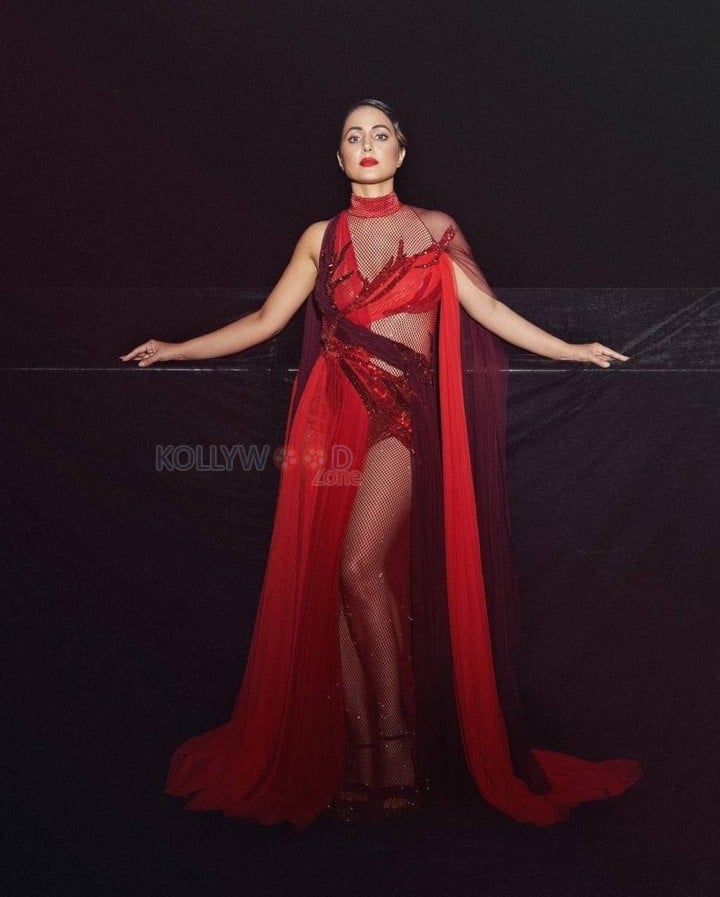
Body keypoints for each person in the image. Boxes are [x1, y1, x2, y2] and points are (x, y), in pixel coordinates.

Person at [120, 99, 641, 829]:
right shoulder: (320, 237)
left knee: (358, 564)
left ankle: (397, 754)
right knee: (338, 582)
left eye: (380, 134)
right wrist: (177, 348)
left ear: (401, 151)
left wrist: (571, 348)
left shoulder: (434, 230)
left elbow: (490, 312)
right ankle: (360, 759)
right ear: (339, 159)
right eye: (353, 136)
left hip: (402, 419)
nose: (367, 145)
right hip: (331, 420)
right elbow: (266, 321)